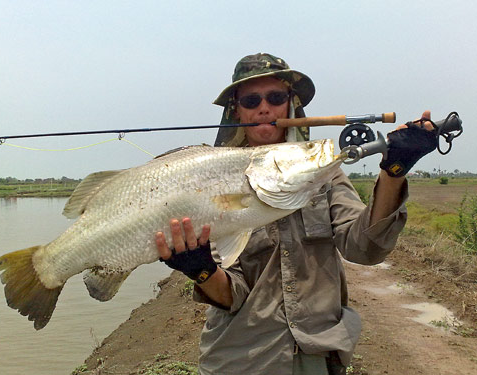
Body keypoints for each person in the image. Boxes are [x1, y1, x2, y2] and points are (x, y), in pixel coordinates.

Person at [154, 53, 437, 375]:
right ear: (236, 110)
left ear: (291, 104)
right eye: (251, 100)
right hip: (239, 360)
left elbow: (365, 248)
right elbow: (231, 294)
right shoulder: (210, 180)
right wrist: (200, 269)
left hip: (320, 357)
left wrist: (394, 171)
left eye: (276, 97)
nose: (264, 108)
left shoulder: (324, 171)